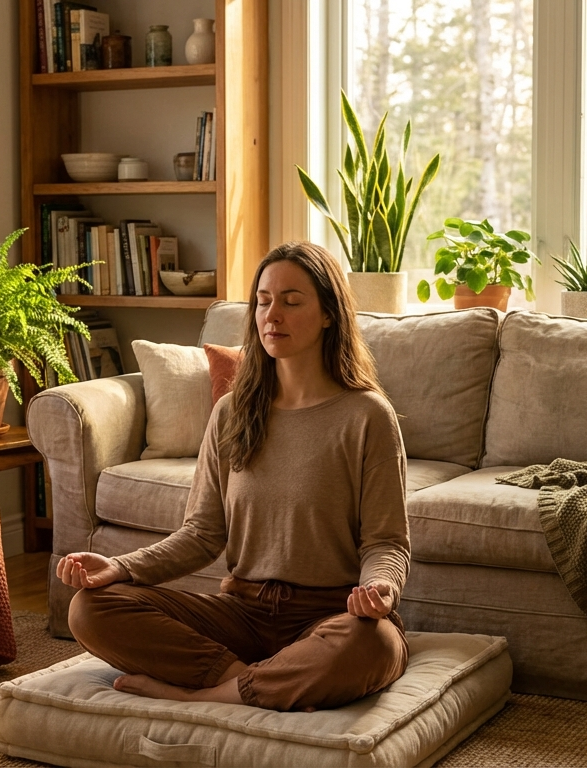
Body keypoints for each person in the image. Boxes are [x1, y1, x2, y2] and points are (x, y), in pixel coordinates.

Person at [58, 241, 410, 712]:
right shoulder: (232, 413)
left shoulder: (367, 415)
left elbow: (386, 541)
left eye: (291, 300)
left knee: (377, 646)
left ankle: (204, 694)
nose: (272, 315)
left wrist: (380, 588)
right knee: (90, 608)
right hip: (243, 613)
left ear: (328, 313)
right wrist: (121, 566)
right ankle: (252, 685)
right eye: (263, 301)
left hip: (331, 616)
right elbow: (202, 534)